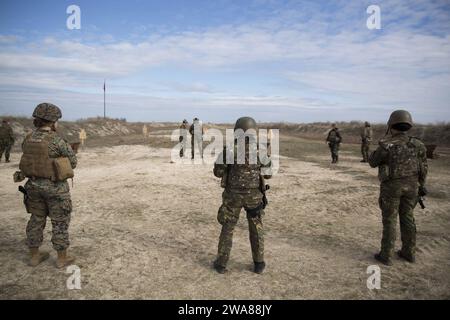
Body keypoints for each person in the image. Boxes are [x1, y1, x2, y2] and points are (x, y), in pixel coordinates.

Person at [17, 103, 78, 268]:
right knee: (59, 222)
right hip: (55, 188)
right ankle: (61, 259)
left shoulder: (28, 138)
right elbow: (72, 162)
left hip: (33, 186)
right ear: (53, 122)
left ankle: (34, 257)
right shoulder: (56, 140)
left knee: (36, 219)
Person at [213, 117, 272, 274]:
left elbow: (218, 173)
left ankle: (221, 263)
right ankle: (259, 264)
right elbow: (268, 175)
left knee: (228, 228)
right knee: (256, 228)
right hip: (254, 198)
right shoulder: (261, 150)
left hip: (233, 197)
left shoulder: (230, 149)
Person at [369, 110, 428, 266]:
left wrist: (378, 148)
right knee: (408, 218)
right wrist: (422, 185)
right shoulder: (418, 144)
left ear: (391, 125)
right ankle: (409, 253)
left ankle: (386, 255)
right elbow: (424, 168)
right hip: (412, 187)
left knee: (390, 221)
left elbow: (373, 162)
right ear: (408, 125)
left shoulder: (386, 144)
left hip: (391, 188)